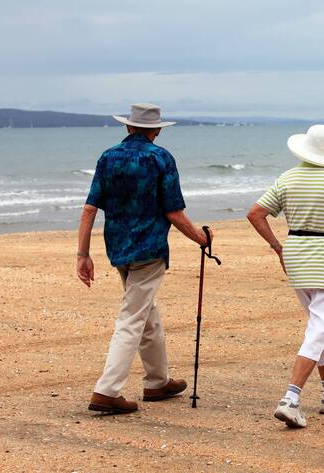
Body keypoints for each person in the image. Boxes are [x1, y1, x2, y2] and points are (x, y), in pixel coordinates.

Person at [76, 103, 211, 414]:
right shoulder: (161, 158)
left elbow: (89, 209)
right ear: (157, 130)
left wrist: (83, 253)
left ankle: (157, 381)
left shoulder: (108, 157)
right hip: (149, 251)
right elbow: (174, 213)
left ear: (127, 127)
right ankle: (107, 391)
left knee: (145, 312)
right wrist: (201, 239)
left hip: (118, 248)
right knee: (132, 318)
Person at [247, 124, 324, 428]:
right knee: (319, 329)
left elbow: (256, 214)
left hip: (297, 257)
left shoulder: (288, 178)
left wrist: (278, 247)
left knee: (321, 326)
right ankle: (290, 398)